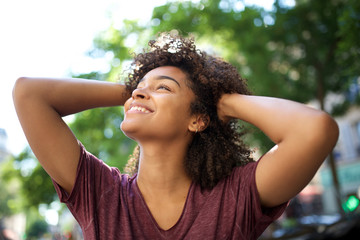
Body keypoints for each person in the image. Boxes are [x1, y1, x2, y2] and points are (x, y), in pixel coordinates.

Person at [13, 33, 339, 239]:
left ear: (198, 119)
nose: (138, 96)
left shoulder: (235, 196)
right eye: (137, 91)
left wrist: (219, 100)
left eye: (163, 88)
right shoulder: (101, 193)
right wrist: (135, 90)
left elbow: (314, 130)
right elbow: (28, 93)